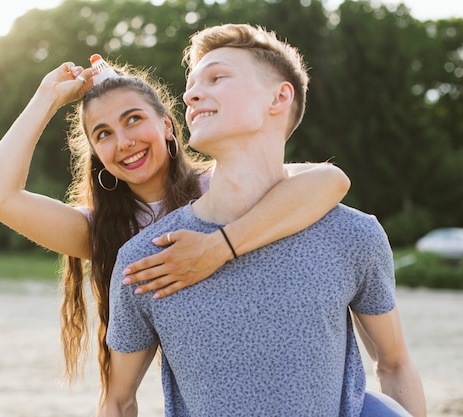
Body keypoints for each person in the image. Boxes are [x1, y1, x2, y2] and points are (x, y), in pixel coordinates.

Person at [103, 24, 427, 417]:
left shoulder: (353, 235)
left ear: (279, 97)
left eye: (217, 77)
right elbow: (118, 401)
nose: (190, 94)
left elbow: (394, 365)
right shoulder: (148, 258)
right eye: (191, 85)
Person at [0, 59, 350, 390]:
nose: (123, 142)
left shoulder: (220, 186)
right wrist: (47, 97)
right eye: (103, 134)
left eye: (133, 119)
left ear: (168, 126)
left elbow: (330, 181)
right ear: (97, 154)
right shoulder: (103, 233)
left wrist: (219, 246)